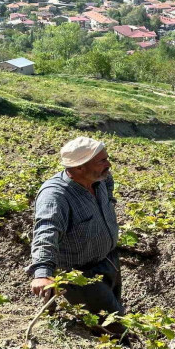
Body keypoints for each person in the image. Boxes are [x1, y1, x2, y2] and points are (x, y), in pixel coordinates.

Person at [27, 136, 125, 320]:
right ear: (80, 167)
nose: (109, 164)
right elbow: (46, 233)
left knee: (115, 310)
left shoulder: (100, 178)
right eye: (102, 160)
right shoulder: (56, 196)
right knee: (114, 323)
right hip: (81, 277)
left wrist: (108, 203)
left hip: (109, 261)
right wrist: (42, 273)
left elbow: (109, 183)